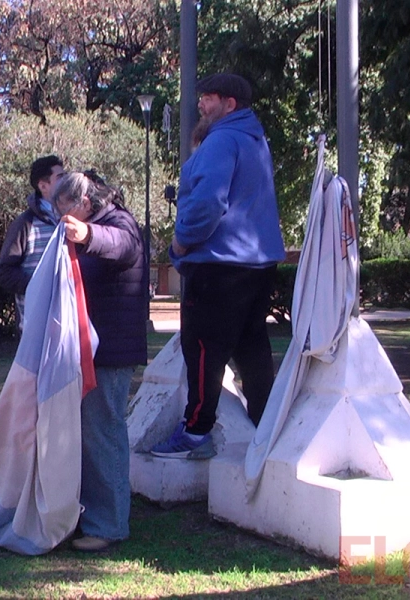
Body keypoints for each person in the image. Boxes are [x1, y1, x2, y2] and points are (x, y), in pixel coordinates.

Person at [150, 73, 285, 459]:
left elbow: (208, 201)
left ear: (230, 104)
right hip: (257, 262)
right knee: (252, 345)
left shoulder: (221, 139)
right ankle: (265, 427)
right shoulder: (255, 140)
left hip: (218, 264)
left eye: (209, 98)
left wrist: (181, 240)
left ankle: (195, 431)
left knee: (203, 348)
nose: (201, 104)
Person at [53, 170, 148, 551]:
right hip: (96, 349)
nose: (62, 218)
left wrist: (87, 235)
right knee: (93, 434)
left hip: (110, 351)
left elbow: (121, 246)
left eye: (65, 210)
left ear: (85, 203)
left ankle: (107, 525)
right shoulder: (105, 221)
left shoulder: (119, 223)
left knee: (103, 433)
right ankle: (93, 516)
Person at [0, 155, 65, 327]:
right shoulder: (25, 223)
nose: (66, 182)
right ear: (43, 186)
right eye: (60, 177)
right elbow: (4, 272)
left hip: (67, 326)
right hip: (35, 327)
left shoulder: (71, 220)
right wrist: (39, 286)